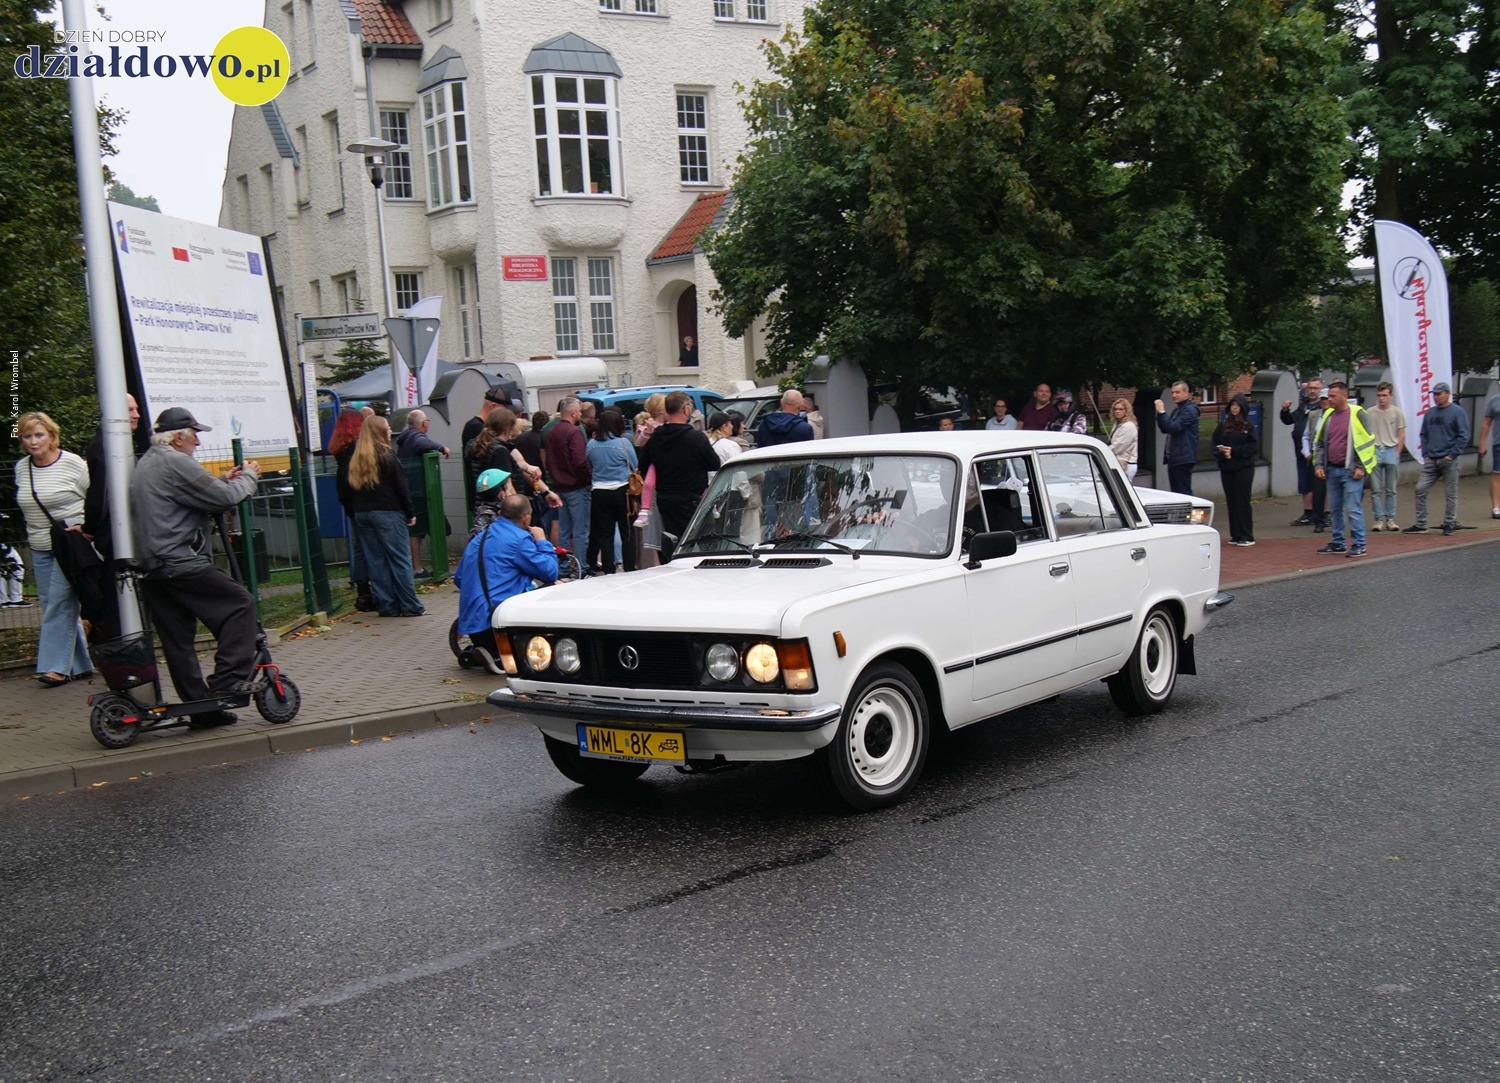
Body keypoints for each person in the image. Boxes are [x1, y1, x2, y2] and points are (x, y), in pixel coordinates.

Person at [129, 407, 261, 722]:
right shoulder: (175, 461)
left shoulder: (149, 461)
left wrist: (221, 480)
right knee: (239, 604)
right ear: (178, 437)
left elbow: (189, 495)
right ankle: (229, 679)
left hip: (151, 564)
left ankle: (202, 710)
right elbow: (225, 499)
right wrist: (249, 476)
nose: (198, 443)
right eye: (194, 436)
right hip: (177, 559)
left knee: (178, 640)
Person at [14, 411, 92, 686]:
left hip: (69, 544)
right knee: (52, 604)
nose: (33, 441)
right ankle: (81, 665)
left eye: (39, 435)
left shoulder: (72, 463)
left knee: (59, 603)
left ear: (51, 435)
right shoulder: (22, 468)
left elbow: (94, 498)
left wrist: (87, 527)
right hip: (39, 546)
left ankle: (54, 667)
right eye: (27, 436)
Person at [453, 494, 559, 674]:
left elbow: (459, 578)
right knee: (554, 586)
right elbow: (549, 572)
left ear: (501, 513)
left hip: (473, 619)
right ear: (526, 517)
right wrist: (542, 541)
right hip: (496, 619)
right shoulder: (519, 539)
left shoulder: (480, 537)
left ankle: (486, 651)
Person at [345, 415, 425, 617]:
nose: (390, 431)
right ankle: (409, 605)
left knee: (376, 561)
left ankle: (386, 605)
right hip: (388, 512)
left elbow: (350, 488)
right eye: (388, 427)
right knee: (400, 559)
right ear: (380, 431)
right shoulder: (387, 455)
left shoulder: (357, 456)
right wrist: (410, 512)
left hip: (362, 513)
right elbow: (401, 486)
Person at [81, 392, 146, 639]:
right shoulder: (107, 445)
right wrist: (89, 528)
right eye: (130, 410)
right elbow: (99, 493)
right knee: (119, 597)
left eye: (136, 409)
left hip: (120, 530)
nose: (137, 415)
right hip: (115, 533)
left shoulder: (116, 442)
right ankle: (124, 647)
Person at [637, 391, 721, 562]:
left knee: (672, 543)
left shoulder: (656, 438)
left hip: (665, 499)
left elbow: (643, 466)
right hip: (692, 498)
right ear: (685, 409)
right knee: (701, 543)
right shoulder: (696, 438)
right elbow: (714, 463)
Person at [1313, 381, 1376, 557]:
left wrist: (1361, 467)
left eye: (1333, 396)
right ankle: (1338, 542)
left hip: (1351, 471)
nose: (1329, 399)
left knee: (1353, 508)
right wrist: (1318, 465)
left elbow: (1369, 442)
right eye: (1328, 396)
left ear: (1344, 396)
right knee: (1335, 509)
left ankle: (1359, 543)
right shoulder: (1328, 415)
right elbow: (1320, 442)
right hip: (1332, 469)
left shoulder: (1358, 414)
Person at [1404, 381, 1469, 536]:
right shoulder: (1430, 413)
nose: (1436, 397)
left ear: (1448, 394)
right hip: (1432, 459)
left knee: (1451, 493)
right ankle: (1421, 524)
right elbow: (1424, 434)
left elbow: (1463, 435)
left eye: (1439, 394)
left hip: (1448, 460)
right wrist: (1426, 454)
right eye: (1434, 394)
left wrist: (1452, 455)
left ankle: (1449, 523)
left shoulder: (1457, 412)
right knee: (1420, 489)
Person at [393, 409, 451, 575]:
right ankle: (435, 567)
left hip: (411, 491)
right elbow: (423, 444)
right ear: (423, 424)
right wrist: (442, 448)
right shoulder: (416, 437)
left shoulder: (404, 439)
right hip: (422, 492)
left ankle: (418, 567)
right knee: (435, 527)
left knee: (416, 532)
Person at [329, 408, 374, 611]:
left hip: (350, 504)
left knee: (359, 548)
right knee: (369, 548)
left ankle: (362, 591)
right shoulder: (356, 447)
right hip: (363, 502)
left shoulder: (339, 447)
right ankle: (369, 591)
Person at [585, 408, 638, 575]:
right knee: (627, 531)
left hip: (599, 491)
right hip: (622, 490)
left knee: (605, 532)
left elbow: (589, 465)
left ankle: (609, 568)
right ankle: (629, 566)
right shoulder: (623, 443)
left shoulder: (591, 445)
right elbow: (634, 465)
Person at [543, 396, 592, 568]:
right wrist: (587, 479)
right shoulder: (574, 432)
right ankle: (581, 566)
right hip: (576, 486)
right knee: (580, 530)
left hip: (559, 486)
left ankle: (563, 566)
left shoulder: (551, 433)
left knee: (563, 530)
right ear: (573, 412)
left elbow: (548, 460)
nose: (580, 414)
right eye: (579, 411)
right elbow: (579, 461)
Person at [1280, 377, 1328, 529]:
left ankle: (1325, 513)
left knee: (1321, 483)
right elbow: (1289, 420)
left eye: (1316, 388)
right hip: (1301, 450)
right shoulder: (1304, 406)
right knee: (1304, 483)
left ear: (1321, 390)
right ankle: (1308, 513)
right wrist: (1285, 411)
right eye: (1310, 388)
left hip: (1318, 452)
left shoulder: (1324, 406)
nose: (1312, 391)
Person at [1213, 393, 1259, 546]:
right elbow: (1214, 444)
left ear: (1243, 408)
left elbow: (1252, 447)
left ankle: (1247, 535)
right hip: (1227, 468)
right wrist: (1221, 452)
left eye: (1238, 405)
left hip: (1244, 467)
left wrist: (1234, 451)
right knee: (1231, 500)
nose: (1234, 408)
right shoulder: (1223, 425)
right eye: (1232, 405)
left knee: (1242, 500)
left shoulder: (1248, 426)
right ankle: (1236, 534)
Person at [1369, 380, 1407, 531]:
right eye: (1379, 395)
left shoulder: (1397, 412)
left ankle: (1390, 519)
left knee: (1391, 489)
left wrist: (1397, 452)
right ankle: (1378, 519)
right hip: (1375, 449)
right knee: (1375, 489)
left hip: (1391, 449)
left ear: (1391, 395)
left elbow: (1402, 433)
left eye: (1384, 395)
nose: (1381, 398)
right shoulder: (1370, 412)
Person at [1154, 381, 1200, 495]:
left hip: (1183, 457)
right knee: (1176, 493)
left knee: (1183, 492)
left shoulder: (1189, 410)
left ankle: (1188, 507)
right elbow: (1165, 428)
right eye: (1173, 392)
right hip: (1174, 457)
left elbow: (1173, 427)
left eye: (1177, 392)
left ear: (1186, 393)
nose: (1174, 395)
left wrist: (1162, 412)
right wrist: (1160, 414)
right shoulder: (1178, 410)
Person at [1480, 384, 1500, 520]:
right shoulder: (1494, 400)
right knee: (1497, 475)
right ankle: (1496, 508)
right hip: (1499, 443)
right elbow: (1486, 422)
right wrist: (1482, 443)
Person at [1108, 398, 1139, 480]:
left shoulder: (1128, 426)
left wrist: (1104, 451)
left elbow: (1119, 446)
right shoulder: (1117, 424)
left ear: (1126, 411)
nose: (1117, 411)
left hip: (1126, 463)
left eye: (1121, 409)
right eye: (1115, 409)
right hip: (1119, 462)